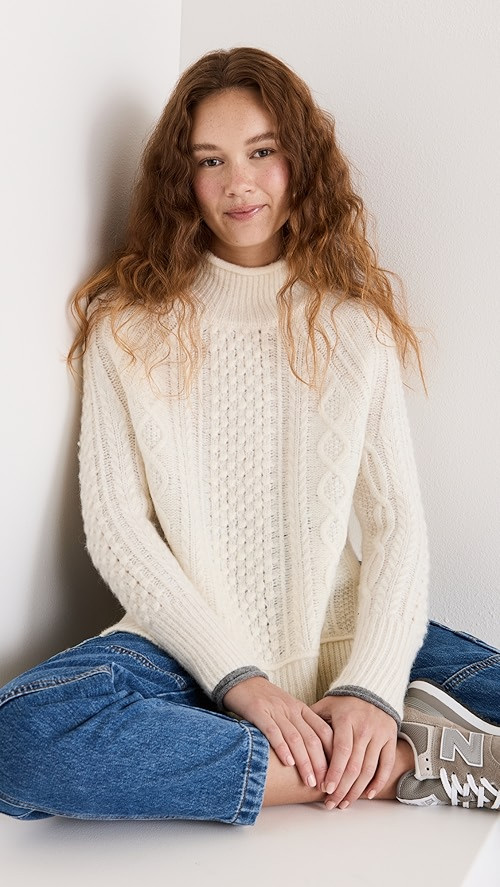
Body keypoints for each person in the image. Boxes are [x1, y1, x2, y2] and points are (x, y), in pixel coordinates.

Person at [0, 47, 498, 824]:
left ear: (300, 161)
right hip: (185, 655)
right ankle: (389, 766)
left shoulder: (353, 327)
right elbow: (120, 532)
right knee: (19, 736)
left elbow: (395, 524)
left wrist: (371, 687)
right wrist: (241, 679)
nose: (239, 183)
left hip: (345, 637)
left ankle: (380, 743)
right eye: (211, 160)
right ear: (183, 178)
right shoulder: (124, 328)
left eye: (262, 152)